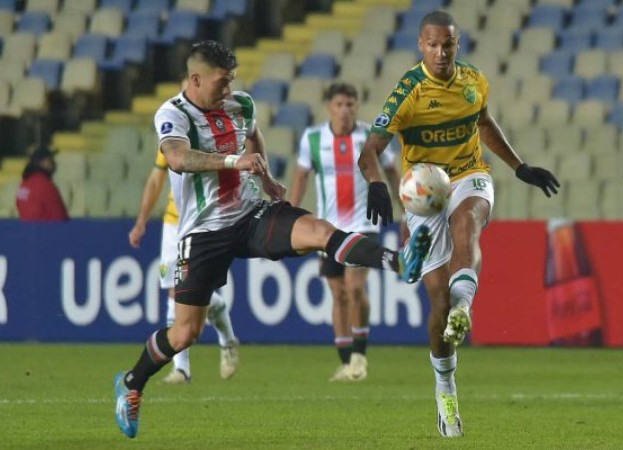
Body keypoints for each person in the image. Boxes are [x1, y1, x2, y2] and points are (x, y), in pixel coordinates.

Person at [113, 40, 432, 439]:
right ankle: (131, 383)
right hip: (203, 234)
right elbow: (178, 159)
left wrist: (263, 177)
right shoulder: (173, 114)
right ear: (195, 79)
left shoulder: (240, 104)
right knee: (184, 334)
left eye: (231, 81)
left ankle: (397, 261)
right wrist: (235, 162)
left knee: (320, 232)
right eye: (221, 82)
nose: (228, 90)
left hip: (250, 214)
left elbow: (254, 137)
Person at [358, 11, 560, 438]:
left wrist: (519, 166)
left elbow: (483, 123)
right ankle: (445, 388)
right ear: (421, 45)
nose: (441, 52)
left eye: (448, 44)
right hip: (423, 192)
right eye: (433, 44)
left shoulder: (473, 81)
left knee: (467, 220)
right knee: (437, 305)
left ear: (457, 43)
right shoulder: (408, 92)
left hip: (469, 175)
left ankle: (465, 308)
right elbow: (370, 150)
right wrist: (377, 184)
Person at [289, 82, 400, 382]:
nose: (345, 110)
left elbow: (391, 172)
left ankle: (360, 356)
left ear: (358, 106)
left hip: (364, 224)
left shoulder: (369, 137)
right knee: (337, 294)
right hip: (327, 230)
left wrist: (404, 208)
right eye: (339, 104)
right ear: (329, 107)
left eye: (351, 104)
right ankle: (345, 360)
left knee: (354, 287)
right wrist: (288, 215)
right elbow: (300, 178)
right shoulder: (312, 138)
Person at [128, 147, 240, 384]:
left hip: (205, 222)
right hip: (173, 223)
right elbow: (156, 178)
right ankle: (182, 369)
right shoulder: (171, 138)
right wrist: (141, 222)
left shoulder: (209, 133)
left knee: (196, 293)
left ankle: (228, 340)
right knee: (176, 291)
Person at [15, 147, 69, 221]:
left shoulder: (24, 185)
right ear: (41, 162)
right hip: (47, 230)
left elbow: (20, 205)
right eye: (50, 159)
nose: (53, 162)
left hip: (27, 230)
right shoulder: (45, 184)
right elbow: (59, 214)